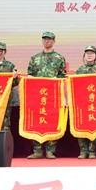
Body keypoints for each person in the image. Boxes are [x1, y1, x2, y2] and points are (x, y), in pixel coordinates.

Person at [25, 31, 68, 159]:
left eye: (49, 39)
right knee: (37, 120)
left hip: (53, 95)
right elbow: (30, 74)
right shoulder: (35, 58)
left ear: (54, 41)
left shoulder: (59, 58)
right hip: (37, 96)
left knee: (52, 120)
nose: (46, 41)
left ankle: (50, 151)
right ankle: (37, 151)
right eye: (44, 39)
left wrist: (56, 80)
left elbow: (63, 76)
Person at [74, 45, 96, 159]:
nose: (89, 55)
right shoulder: (79, 70)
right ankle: (83, 151)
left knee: (94, 126)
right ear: (84, 56)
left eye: (91, 53)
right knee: (81, 126)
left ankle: (92, 151)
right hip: (83, 103)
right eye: (87, 53)